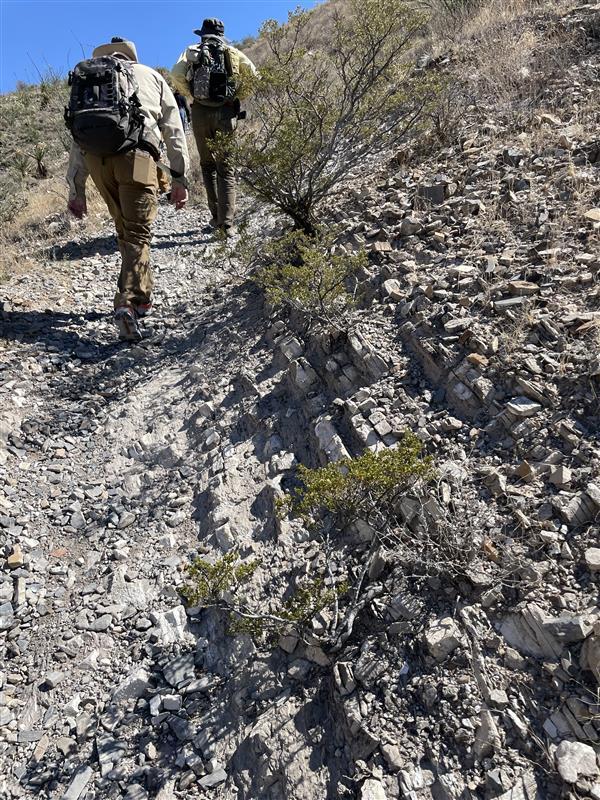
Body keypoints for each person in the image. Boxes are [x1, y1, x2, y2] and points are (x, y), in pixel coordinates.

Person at [66, 38, 190, 342]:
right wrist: (180, 177)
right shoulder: (150, 75)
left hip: (97, 161)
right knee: (137, 233)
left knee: (125, 229)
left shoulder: (90, 81)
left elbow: (77, 141)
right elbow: (174, 129)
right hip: (137, 157)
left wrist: (76, 190)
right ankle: (129, 303)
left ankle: (142, 296)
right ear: (131, 55)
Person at [171, 18, 256, 235]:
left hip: (200, 112)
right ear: (221, 35)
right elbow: (254, 76)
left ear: (202, 35)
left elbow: (176, 74)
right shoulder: (233, 52)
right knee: (225, 168)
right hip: (226, 112)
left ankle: (215, 217)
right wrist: (236, 96)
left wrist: (191, 94)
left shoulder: (192, 51)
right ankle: (226, 224)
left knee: (208, 166)